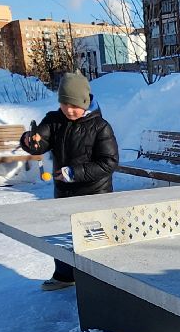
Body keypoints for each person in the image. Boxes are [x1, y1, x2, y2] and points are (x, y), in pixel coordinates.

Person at [19, 72, 120, 290]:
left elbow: (109, 162)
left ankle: (100, 280)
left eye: (74, 105)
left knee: (95, 239)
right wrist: (30, 141)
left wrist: (74, 173)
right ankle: (65, 276)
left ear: (85, 102)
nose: (69, 110)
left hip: (95, 193)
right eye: (64, 104)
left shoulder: (100, 127)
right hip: (64, 193)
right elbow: (41, 141)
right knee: (63, 235)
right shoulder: (54, 121)